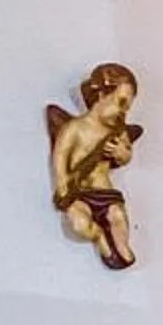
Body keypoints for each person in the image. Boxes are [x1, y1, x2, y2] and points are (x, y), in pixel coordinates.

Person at [47, 63, 142, 270]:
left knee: (118, 216)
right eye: (121, 102)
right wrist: (62, 183)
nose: (124, 111)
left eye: (128, 107)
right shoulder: (76, 128)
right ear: (101, 94)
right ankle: (99, 236)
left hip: (105, 190)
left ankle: (122, 245)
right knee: (79, 224)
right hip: (78, 193)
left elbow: (126, 154)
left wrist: (121, 153)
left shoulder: (118, 131)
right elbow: (60, 155)